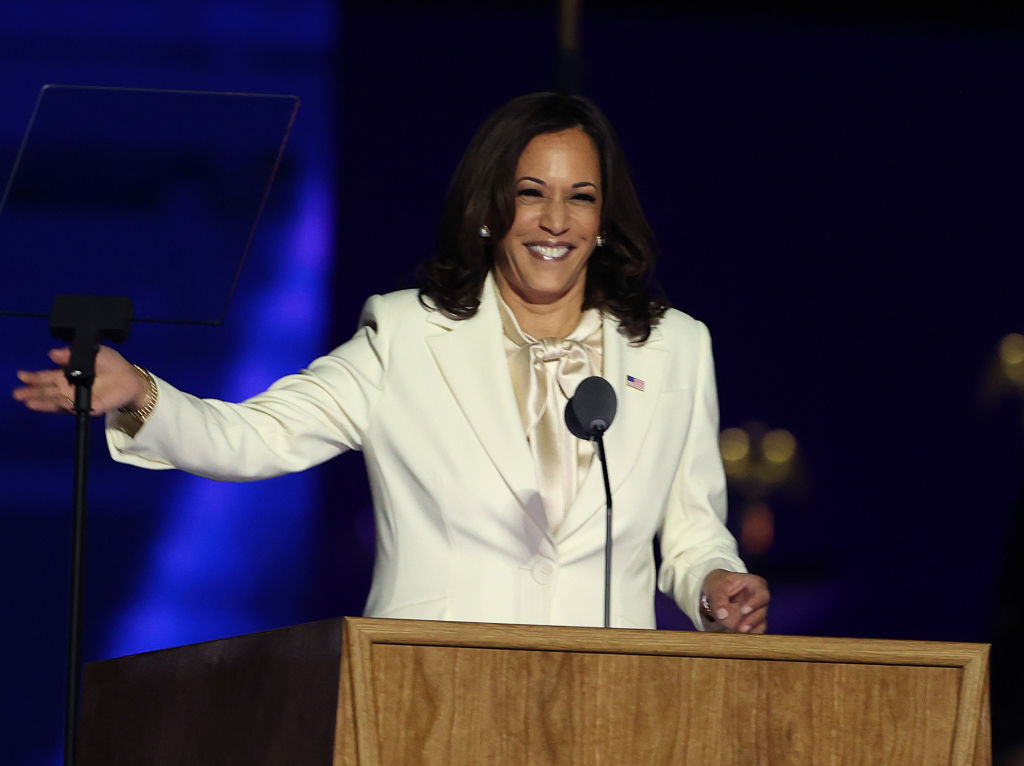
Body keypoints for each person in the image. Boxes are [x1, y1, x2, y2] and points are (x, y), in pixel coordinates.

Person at [13, 92, 769, 633]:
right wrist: (140, 393)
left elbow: (693, 533)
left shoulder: (673, 348)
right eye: (530, 193)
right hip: (428, 700)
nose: (555, 220)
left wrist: (715, 585)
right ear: (487, 209)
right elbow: (255, 436)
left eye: (580, 197)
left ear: (604, 219)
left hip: (613, 708)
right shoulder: (406, 335)